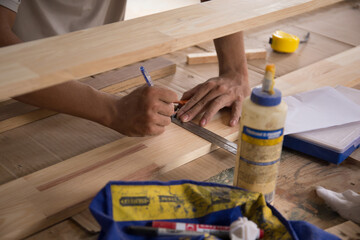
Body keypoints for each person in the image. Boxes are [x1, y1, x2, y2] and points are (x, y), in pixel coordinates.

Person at [0, 0, 250, 137]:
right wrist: (113, 111)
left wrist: (235, 71)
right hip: (18, 95)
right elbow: (3, 54)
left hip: (101, 73)